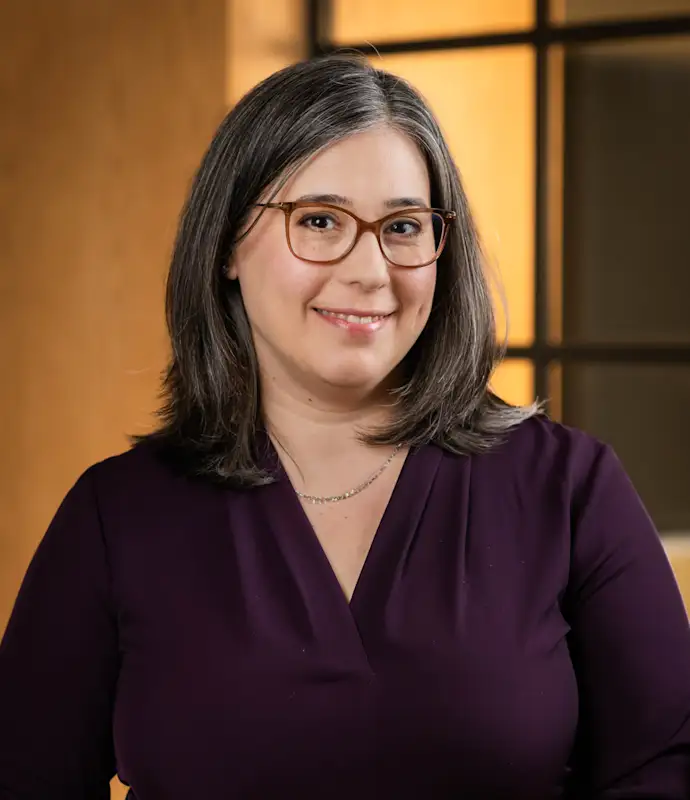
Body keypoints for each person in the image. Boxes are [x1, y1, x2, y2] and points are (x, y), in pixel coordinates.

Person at [0, 53, 689, 800]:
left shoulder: (570, 489)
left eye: (402, 227)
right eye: (320, 221)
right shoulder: (117, 517)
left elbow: (664, 768)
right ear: (228, 242)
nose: (369, 271)